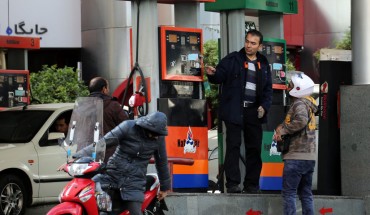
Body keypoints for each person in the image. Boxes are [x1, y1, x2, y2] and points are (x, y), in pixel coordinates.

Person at [205, 29, 272, 193]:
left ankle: (252, 185)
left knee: (254, 149)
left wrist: (264, 106)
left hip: (254, 112)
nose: (249, 45)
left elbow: (268, 90)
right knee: (233, 146)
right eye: (247, 41)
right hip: (235, 110)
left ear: (260, 46)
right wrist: (212, 74)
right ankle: (233, 184)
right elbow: (219, 75)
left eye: (253, 43)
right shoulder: (233, 59)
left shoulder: (263, 63)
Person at [74, 111, 171, 215]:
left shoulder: (159, 138)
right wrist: (77, 157)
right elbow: (103, 143)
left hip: (135, 181)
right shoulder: (128, 126)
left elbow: (162, 162)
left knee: (135, 212)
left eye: (158, 134)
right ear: (147, 127)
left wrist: (165, 188)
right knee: (91, 199)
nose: (156, 137)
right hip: (113, 174)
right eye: (154, 133)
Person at [273, 73, 318, 215]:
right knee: (305, 193)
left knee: (289, 193)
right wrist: (281, 128)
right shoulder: (308, 104)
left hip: (296, 156)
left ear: (298, 88)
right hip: (308, 157)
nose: (288, 87)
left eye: (290, 85)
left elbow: (301, 121)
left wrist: (283, 131)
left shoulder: (299, 104)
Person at [88, 77, 129, 162]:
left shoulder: (83, 107)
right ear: (104, 89)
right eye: (108, 88)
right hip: (110, 156)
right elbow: (127, 127)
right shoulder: (113, 105)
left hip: (87, 155)